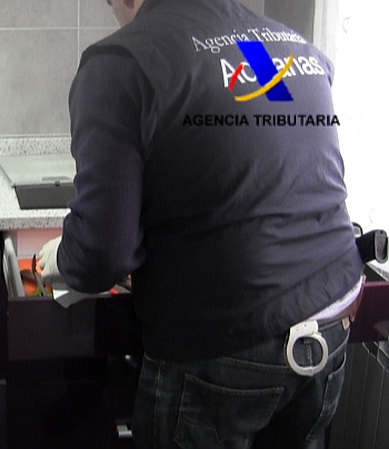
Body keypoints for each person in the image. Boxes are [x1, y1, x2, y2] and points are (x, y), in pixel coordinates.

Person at [37, 0, 364, 448]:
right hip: (330, 320)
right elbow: (262, 165)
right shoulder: (285, 45)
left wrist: (61, 258)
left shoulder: (120, 62)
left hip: (226, 339)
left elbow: (103, 254)